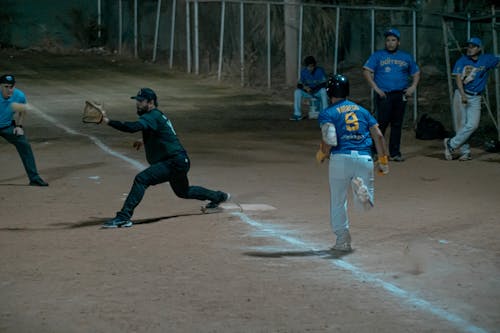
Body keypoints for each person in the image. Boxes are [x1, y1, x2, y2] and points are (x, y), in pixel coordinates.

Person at [98, 88, 230, 228]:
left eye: (141, 101)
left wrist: (107, 121)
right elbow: (165, 133)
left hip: (173, 161)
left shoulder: (151, 116)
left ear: (151, 102)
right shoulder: (157, 116)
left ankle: (124, 217)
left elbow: (132, 127)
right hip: (179, 161)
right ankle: (219, 197)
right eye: (137, 101)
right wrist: (145, 140)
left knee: (142, 179)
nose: (137, 104)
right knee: (183, 191)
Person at [317, 74, 389, 252]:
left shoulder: (328, 113)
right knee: (365, 204)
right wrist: (383, 160)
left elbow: (330, 138)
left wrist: (322, 153)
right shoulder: (363, 111)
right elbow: (378, 136)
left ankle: (343, 239)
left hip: (340, 159)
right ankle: (361, 192)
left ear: (329, 93)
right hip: (365, 158)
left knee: (338, 201)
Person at [363, 28, 420, 162]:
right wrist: (376, 89)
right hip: (385, 95)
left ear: (398, 42)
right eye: (388, 40)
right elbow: (366, 71)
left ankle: (394, 153)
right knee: (380, 124)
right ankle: (375, 151)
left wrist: (413, 86)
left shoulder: (406, 57)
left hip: (400, 94)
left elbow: (416, 72)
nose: (390, 43)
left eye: (393, 40)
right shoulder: (378, 55)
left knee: (397, 124)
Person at [444, 37, 500, 161]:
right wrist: (463, 94)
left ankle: (450, 144)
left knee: (473, 125)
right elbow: (458, 78)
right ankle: (465, 152)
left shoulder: (486, 59)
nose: (470, 49)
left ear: (479, 48)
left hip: (476, 97)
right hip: (461, 94)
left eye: (473, 46)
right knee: (461, 124)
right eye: (469, 46)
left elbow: (497, 60)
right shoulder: (462, 61)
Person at [0, 74, 48, 186]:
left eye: (11, 87)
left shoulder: (18, 96)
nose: (9, 90)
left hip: (7, 126)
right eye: (6, 87)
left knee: (24, 145)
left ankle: (34, 178)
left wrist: (19, 126)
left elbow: (21, 111)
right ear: (0, 86)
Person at [291, 55, 329, 121]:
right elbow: (299, 85)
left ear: (314, 65)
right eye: (308, 66)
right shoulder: (304, 72)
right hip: (309, 92)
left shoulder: (319, 71)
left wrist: (313, 89)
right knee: (297, 92)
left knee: (323, 90)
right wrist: (305, 87)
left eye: (312, 66)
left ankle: (326, 115)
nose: (310, 68)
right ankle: (297, 114)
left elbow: (324, 84)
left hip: (317, 92)